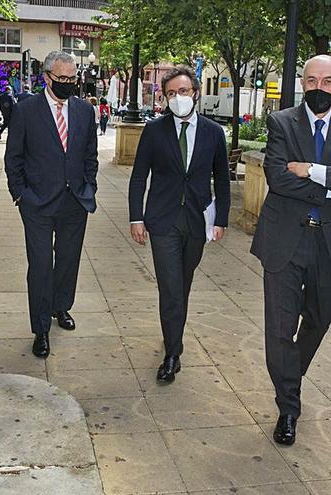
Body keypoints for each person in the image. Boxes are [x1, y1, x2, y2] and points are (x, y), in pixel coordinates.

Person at [250, 54, 331, 445]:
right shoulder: (281, 121)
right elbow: (278, 178)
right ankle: (289, 407)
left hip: (329, 242)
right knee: (280, 329)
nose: (319, 87)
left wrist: (314, 171)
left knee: (321, 318)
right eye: (312, 79)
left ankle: (289, 376)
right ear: (303, 81)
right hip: (284, 240)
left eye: (327, 81)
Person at [128, 65, 231, 383]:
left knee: (182, 284)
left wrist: (222, 220)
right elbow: (138, 177)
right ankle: (173, 354)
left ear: (195, 93)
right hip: (162, 221)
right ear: (164, 98)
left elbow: (223, 181)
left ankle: (172, 329)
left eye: (183, 91)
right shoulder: (154, 131)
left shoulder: (214, 133)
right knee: (171, 287)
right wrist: (136, 217)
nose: (178, 98)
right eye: (171, 93)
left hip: (197, 220)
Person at [5, 51, 98, 359]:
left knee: (68, 261)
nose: (69, 84)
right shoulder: (26, 110)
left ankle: (61, 307)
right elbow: (13, 158)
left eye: (73, 78)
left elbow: (89, 156)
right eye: (63, 79)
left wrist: (89, 186)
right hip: (37, 204)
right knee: (42, 265)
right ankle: (41, 328)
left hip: (75, 201)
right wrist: (20, 195)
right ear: (46, 77)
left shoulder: (85, 111)